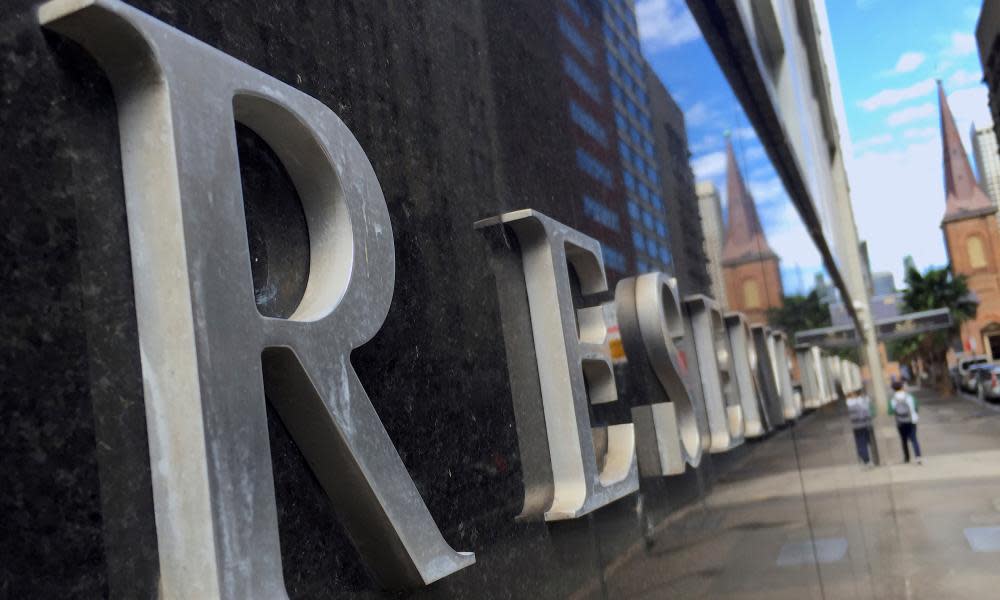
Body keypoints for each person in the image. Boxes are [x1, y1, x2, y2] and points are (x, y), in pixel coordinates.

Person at [889, 380, 922, 464]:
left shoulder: (892, 399)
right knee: (914, 439)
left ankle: (907, 458)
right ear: (902, 387)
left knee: (903, 440)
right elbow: (916, 407)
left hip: (900, 422)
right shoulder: (909, 396)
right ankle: (918, 457)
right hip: (911, 420)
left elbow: (890, 411)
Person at [846, 390, 874, 467]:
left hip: (855, 426)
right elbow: (865, 414)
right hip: (863, 425)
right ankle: (866, 460)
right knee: (865, 442)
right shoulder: (859, 403)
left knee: (859, 442)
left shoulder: (848, 404)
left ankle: (862, 457)